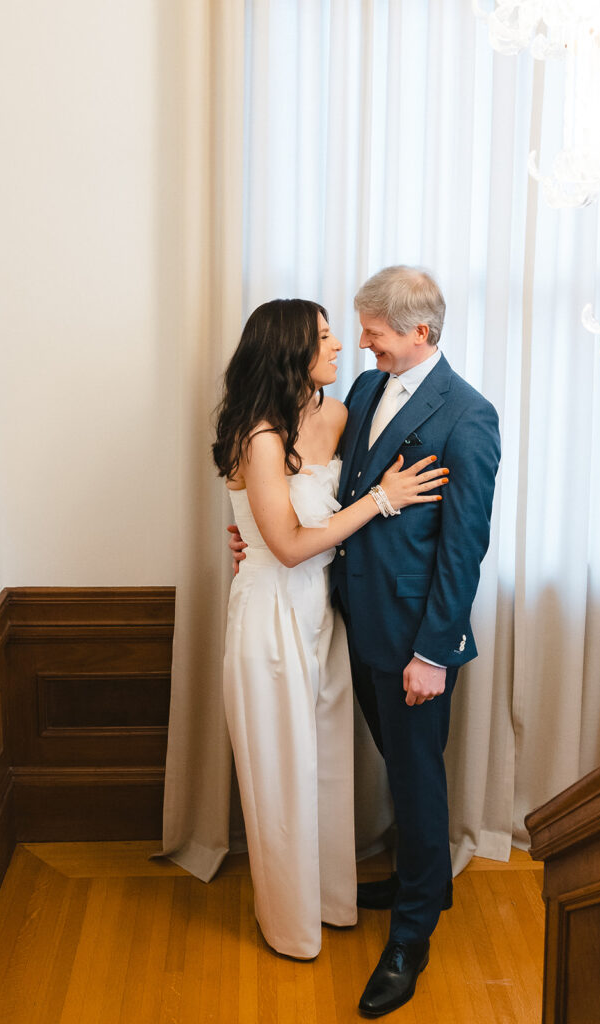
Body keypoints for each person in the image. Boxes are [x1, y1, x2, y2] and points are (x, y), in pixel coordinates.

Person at [232, 268, 501, 1016]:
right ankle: (425, 880)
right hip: (344, 621)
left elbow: (463, 548)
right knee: (397, 769)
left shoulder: (469, 417)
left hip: (415, 639)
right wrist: (255, 537)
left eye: (373, 330)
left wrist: (434, 653)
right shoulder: (361, 392)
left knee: (416, 781)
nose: (360, 342)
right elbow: (317, 493)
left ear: (418, 331)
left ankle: (412, 934)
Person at [213, 297, 449, 961]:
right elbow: (287, 545)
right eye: (323, 337)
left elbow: (327, 520)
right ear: (292, 350)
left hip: (324, 615)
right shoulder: (258, 436)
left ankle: (329, 902)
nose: (340, 346)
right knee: (282, 769)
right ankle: (289, 925)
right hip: (270, 617)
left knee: (322, 766)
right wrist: (381, 500)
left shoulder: (339, 415)